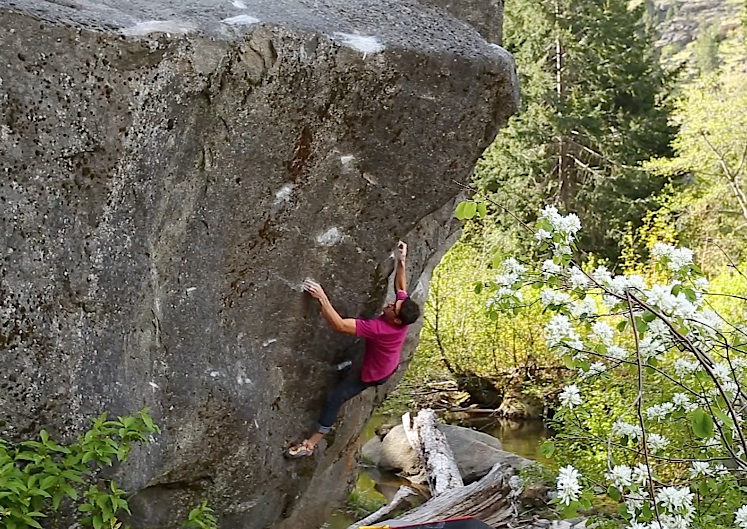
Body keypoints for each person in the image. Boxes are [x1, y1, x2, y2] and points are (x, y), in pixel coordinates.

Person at [286, 241, 421, 458]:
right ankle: (347, 366)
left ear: (396, 320)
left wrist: (321, 297)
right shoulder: (401, 316)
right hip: (387, 361)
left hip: (375, 373)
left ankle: (310, 444)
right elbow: (401, 289)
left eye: (392, 308)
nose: (389, 304)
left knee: (334, 398)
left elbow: (339, 325)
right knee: (352, 365)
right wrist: (401, 261)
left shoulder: (381, 329)